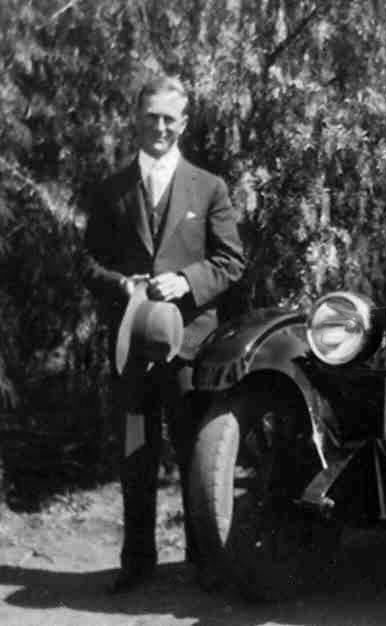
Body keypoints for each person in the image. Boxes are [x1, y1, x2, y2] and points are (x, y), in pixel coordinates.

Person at [83, 75, 245, 593]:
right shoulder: (111, 190)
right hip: (133, 351)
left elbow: (231, 262)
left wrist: (187, 281)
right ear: (136, 118)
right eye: (151, 115)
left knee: (195, 452)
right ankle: (137, 563)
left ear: (184, 123)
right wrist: (120, 284)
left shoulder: (209, 187)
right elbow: (88, 263)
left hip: (190, 350)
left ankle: (203, 565)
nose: (160, 126)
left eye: (169, 118)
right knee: (135, 451)